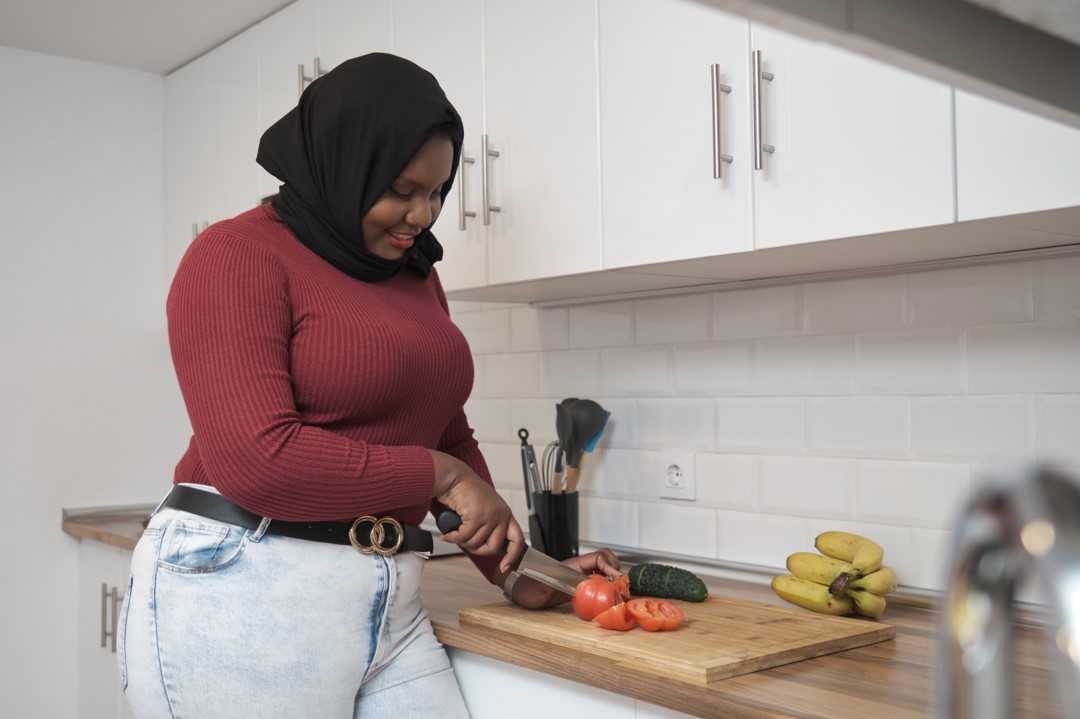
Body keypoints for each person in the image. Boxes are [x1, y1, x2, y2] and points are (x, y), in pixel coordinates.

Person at [119, 53, 621, 719]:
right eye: (402, 189)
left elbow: (443, 428)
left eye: (439, 191)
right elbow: (257, 461)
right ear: (341, 162)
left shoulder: (416, 276)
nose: (424, 214)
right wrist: (439, 477)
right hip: (242, 583)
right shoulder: (234, 255)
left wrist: (520, 569)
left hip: (390, 594)